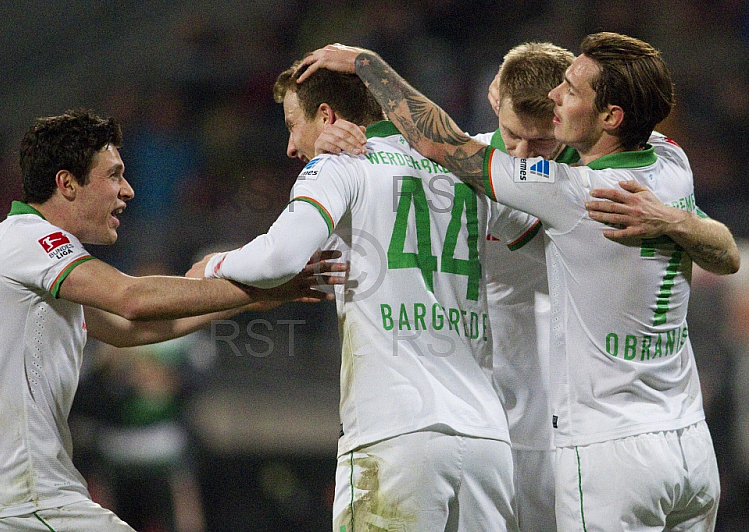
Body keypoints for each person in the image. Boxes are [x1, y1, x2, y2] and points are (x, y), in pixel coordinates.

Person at [298, 33, 739, 530]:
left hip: (587, 445)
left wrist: (366, 64)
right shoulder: (666, 162)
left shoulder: (567, 188)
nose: (529, 149)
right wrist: (343, 142)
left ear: (607, 117)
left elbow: (436, 140)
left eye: (567, 96)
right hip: (504, 427)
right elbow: (414, 156)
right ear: (493, 98)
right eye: (514, 136)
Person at [187, 58, 551, 531]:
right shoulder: (462, 164)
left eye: (295, 125)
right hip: (486, 441)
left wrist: (212, 265)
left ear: (327, 116)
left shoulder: (339, 166)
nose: (292, 145)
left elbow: (279, 259)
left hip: (395, 434)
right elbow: (539, 223)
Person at [0, 109, 344, 531]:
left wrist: (247, 300)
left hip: (13, 497)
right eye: (113, 175)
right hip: (29, 499)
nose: (128, 190)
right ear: (66, 184)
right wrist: (259, 284)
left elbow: (130, 329)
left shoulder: (8, 247)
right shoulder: (28, 240)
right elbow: (131, 298)